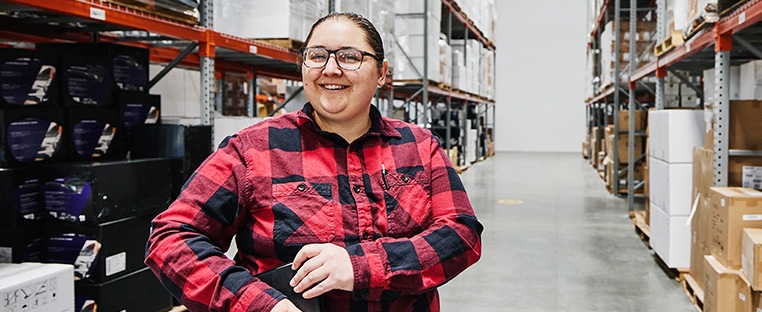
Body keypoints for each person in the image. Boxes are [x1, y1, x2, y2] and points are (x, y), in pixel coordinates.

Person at [144, 12, 483, 312]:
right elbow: (171, 238)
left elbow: (462, 235)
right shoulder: (253, 150)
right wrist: (257, 304)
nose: (330, 69)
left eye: (350, 57)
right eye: (317, 56)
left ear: (381, 73)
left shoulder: (419, 147)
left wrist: (360, 267)